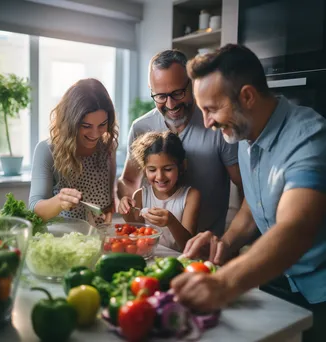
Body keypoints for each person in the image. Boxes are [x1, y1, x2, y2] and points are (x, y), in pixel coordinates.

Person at [170, 44, 326, 342]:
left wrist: (225, 283)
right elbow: (254, 206)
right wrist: (224, 245)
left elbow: (296, 228)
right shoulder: (245, 131)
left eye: (212, 109)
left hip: (318, 294)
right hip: (275, 281)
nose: (207, 122)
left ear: (247, 96)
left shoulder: (309, 139)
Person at [118, 49, 243, 237]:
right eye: (160, 96)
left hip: (210, 242)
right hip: (158, 245)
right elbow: (128, 180)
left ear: (192, 84)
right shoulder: (141, 127)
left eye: (178, 93)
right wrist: (127, 200)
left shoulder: (216, 123)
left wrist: (233, 237)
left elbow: (243, 184)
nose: (170, 105)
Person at [29, 78, 118, 225]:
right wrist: (59, 201)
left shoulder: (109, 146)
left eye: (102, 124)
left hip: (100, 237)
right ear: (70, 122)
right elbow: (34, 209)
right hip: (63, 239)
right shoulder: (48, 150)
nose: (96, 133)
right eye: (86, 126)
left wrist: (111, 208)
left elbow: (109, 200)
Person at [118, 131, 200, 251]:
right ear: (144, 169)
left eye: (167, 169)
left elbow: (187, 245)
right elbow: (136, 233)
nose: (160, 177)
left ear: (182, 166)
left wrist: (171, 222)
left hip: (177, 260)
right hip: (149, 257)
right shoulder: (141, 195)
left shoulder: (191, 196)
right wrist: (126, 213)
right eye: (152, 170)